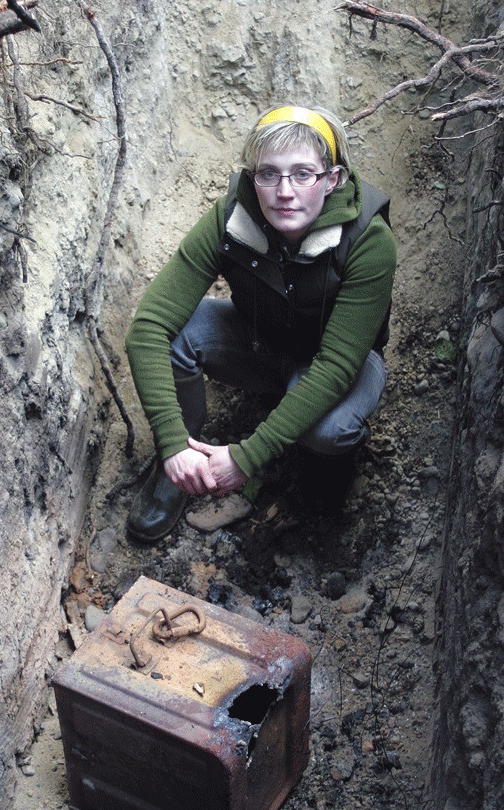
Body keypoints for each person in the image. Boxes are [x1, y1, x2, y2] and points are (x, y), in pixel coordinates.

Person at [125, 104, 396, 542]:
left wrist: (247, 457)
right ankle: (180, 469)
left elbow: (336, 367)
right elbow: (149, 328)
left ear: (332, 180)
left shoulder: (369, 241)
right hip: (260, 344)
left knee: (328, 432)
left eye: (303, 174)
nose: (284, 192)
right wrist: (171, 443)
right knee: (179, 335)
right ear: (253, 178)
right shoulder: (231, 218)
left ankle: (325, 484)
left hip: (335, 366)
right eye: (269, 174)